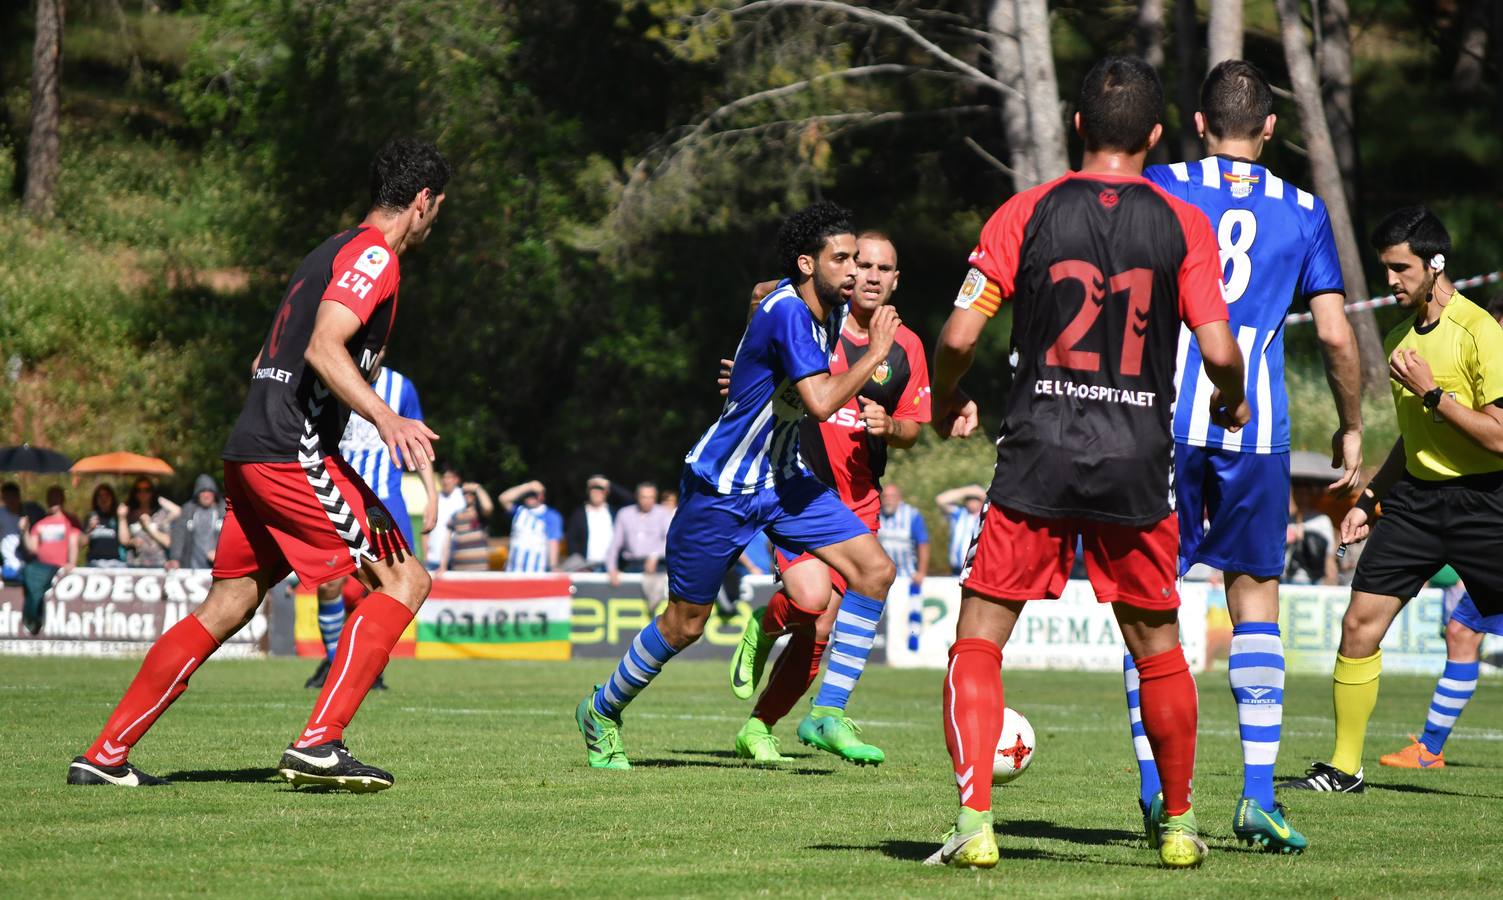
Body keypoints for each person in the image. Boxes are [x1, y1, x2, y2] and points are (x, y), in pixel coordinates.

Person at [924, 57, 1249, 869]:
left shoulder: (1024, 211)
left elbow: (958, 336)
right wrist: (1229, 401)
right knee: (1157, 649)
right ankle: (1176, 826)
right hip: (1135, 459)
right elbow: (1218, 349)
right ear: (1153, 135)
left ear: (1076, 127)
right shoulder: (1182, 223)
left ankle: (974, 825)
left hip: (1036, 452)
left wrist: (943, 397)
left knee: (978, 641)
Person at [68, 136, 449, 791]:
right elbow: (327, 348)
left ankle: (104, 756)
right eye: (438, 206)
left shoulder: (327, 250)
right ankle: (320, 743)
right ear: (422, 201)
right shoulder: (374, 258)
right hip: (292, 451)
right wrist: (386, 417)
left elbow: (264, 360)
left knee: (229, 603)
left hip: (253, 445)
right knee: (405, 581)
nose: (436, 218)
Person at [1110, 59, 1362, 854]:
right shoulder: (1303, 209)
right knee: (1254, 596)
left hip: (1161, 423)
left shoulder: (1159, 186)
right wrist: (1351, 424)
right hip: (1255, 431)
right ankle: (1256, 795)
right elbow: (1329, 332)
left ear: (1195, 121)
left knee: (1152, 600)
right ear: (1271, 128)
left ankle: (1155, 789)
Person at [574, 201, 899, 771]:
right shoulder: (794, 314)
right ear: (808, 263)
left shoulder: (808, 298)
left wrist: (749, 354)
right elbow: (821, 404)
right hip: (720, 488)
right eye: (841, 259)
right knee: (685, 625)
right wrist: (873, 353)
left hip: (783, 480)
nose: (854, 270)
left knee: (874, 570)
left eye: (858, 259)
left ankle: (827, 710)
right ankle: (602, 709)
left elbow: (758, 290)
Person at [1278, 207, 1503, 795]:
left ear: (1435, 265)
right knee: (1359, 624)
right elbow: (1414, 439)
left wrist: (1433, 394)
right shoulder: (1402, 338)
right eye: (1386, 270)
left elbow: (1499, 435)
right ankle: (1344, 768)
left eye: (1400, 269)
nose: (1391, 282)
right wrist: (1372, 497)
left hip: (1487, 502)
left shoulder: (1481, 331)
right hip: (1418, 506)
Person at [729, 230, 931, 765]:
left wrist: (890, 425)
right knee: (811, 602)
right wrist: (746, 359)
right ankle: (763, 623)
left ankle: (764, 726)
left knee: (820, 626)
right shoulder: (815, 313)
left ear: (895, 281)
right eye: (860, 263)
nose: (869, 275)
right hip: (799, 487)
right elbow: (759, 293)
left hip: (860, 500)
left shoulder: (905, 344)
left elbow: (915, 428)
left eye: (883, 269)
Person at [305, 361, 438, 689]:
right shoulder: (333, 373)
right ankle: (336, 659)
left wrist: (431, 495)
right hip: (336, 494)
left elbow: (416, 440)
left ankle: (365, 665)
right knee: (329, 584)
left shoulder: (400, 387)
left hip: (382, 503)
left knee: (388, 586)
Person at [605, 482, 673, 584]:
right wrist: (611, 568)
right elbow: (615, 544)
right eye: (644, 497)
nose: (647, 501)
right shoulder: (624, 514)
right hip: (630, 566)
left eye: (651, 497)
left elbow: (670, 540)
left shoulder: (663, 513)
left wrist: (654, 556)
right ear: (637, 496)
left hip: (657, 566)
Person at [564, 476, 630, 572]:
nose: (597, 493)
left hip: (611, 568)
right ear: (588, 492)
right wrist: (579, 565)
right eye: (593, 490)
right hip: (586, 567)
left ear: (607, 492)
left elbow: (629, 499)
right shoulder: (578, 514)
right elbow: (572, 540)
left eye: (600, 490)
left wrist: (609, 484)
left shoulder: (615, 512)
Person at [1285, 473, 1338, 586]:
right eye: (1297, 491)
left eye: (1304, 492)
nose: (1301, 496)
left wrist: (1331, 581)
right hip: (1286, 580)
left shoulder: (1322, 520)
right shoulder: (1286, 520)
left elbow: (1329, 556)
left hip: (1312, 582)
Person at [499, 480, 563, 572]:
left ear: (542, 496)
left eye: (533, 494)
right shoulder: (519, 511)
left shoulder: (550, 515)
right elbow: (503, 498)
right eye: (527, 494)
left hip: (536, 571)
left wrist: (553, 566)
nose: (530, 497)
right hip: (513, 571)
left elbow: (553, 542)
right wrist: (527, 486)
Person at [168, 474, 226, 571]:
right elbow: (179, 535)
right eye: (202, 491)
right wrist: (175, 558)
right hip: (191, 569)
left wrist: (221, 554)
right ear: (197, 493)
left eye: (209, 491)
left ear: (214, 493)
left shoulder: (224, 511)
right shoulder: (188, 510)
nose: (206, 494)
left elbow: (233, 537)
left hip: (218, 569)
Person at [877, 484, 930, 585]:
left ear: (899, 498)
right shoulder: (875, 515)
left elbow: (923, 544)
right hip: (881, 575)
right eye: (885, 496)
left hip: (908, 575)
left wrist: (921, 573)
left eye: (892, 496)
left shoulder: (912, 515)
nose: (888, 500)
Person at [124, 478, 179, 568]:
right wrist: (132, 542)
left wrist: (148, 528)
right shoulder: (129, 513)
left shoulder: (161, 514)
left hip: (158, 565)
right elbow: (124, 541)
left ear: (152, 492)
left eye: (147, 490)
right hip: (134, 565)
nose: (143, 493)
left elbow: (168, 542)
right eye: (139, 490)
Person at [443, 482, 494, 572]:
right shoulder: (456, 515)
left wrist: (478, 488)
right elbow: (447, 542)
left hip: (480, 569)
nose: (467, 495)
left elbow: (488, 507)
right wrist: (443, 565)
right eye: (465, 493)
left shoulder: (481, 514)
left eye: (470, 492)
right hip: (459, 569)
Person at [424, 467, 468, 571]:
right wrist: (426, 556)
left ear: (456, 479)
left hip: (456, 558)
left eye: (448, 477)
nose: (445, 481)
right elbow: (426, 529)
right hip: (433, 559)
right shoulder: (434, 499)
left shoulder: (463, 497)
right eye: (443, 477)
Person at [935, 485, 985, 575]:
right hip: (956, 568)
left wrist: (980, 492)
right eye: (969, 499)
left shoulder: (984, 516)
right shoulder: (959, 514)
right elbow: (940, 500)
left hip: (975, 569)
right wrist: (967, 491)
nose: (972, 502)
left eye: (975, 499)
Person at [83, 484, 128, 568]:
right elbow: (82, 543)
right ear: (96, 499)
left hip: (116, 563)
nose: (103, 499)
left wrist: (122, 518)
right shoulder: (91, 517)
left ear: (112, 498)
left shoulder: (117, 517)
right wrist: (89, 529)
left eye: (107, 495)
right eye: (100, 496)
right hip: (94, 564)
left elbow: (125, 541)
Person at [0, 482, 25, 582]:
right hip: (9, 566)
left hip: (27, 566)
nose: (10, 500)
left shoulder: (27, 512)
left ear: (18, 497)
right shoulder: (1, 514)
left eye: (13, 497)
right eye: (7, 497)